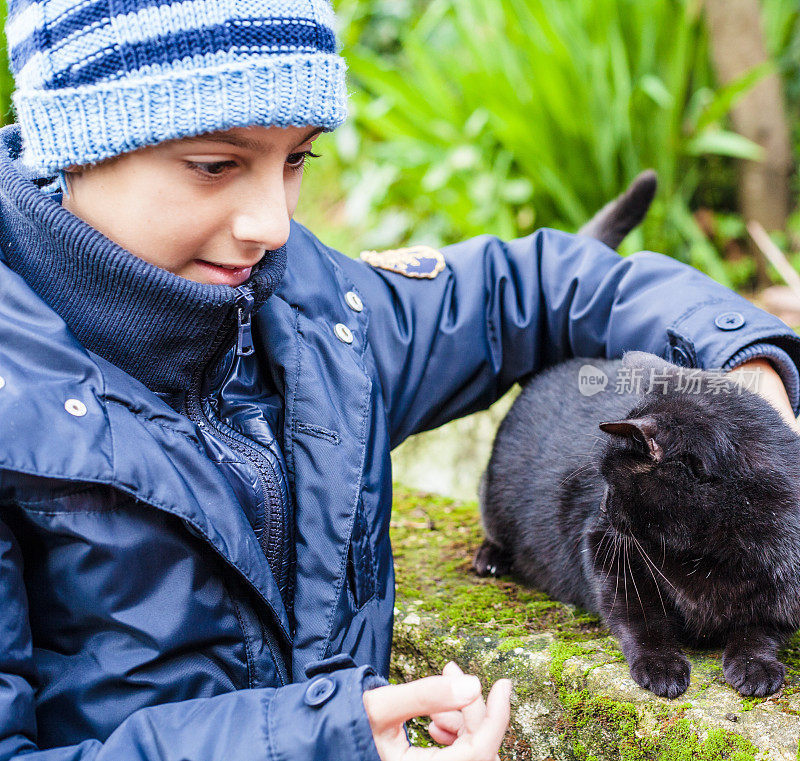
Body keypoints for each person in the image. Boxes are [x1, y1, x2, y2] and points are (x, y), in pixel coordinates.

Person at [0, 1, 797, 760]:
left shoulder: (317, 313)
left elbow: (535, 284)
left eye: (297, 159)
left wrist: (745, 364)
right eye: (214, 164)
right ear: (74, 141)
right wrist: (324, 740)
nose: (273, 225)